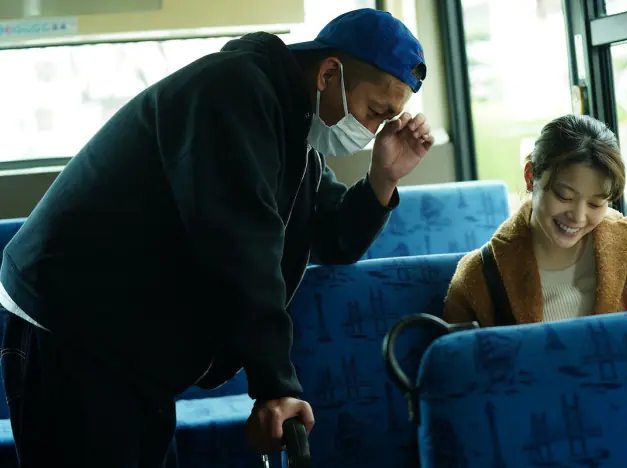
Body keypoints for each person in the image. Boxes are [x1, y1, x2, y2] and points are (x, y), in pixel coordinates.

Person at [0, 8, 434, 466]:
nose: (372, 131)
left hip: (130, 343)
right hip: (75, 323)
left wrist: (383, 177)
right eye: (375, 112)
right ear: (329, 74)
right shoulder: (235, 93)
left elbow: (332, 238)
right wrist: (275, 386)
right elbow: (241, 245)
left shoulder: (295, 133)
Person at [443, 114, 627, 327]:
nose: (578, 216)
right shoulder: (480, 276)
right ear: (531, 178)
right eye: (564, 196)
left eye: (596, 203)